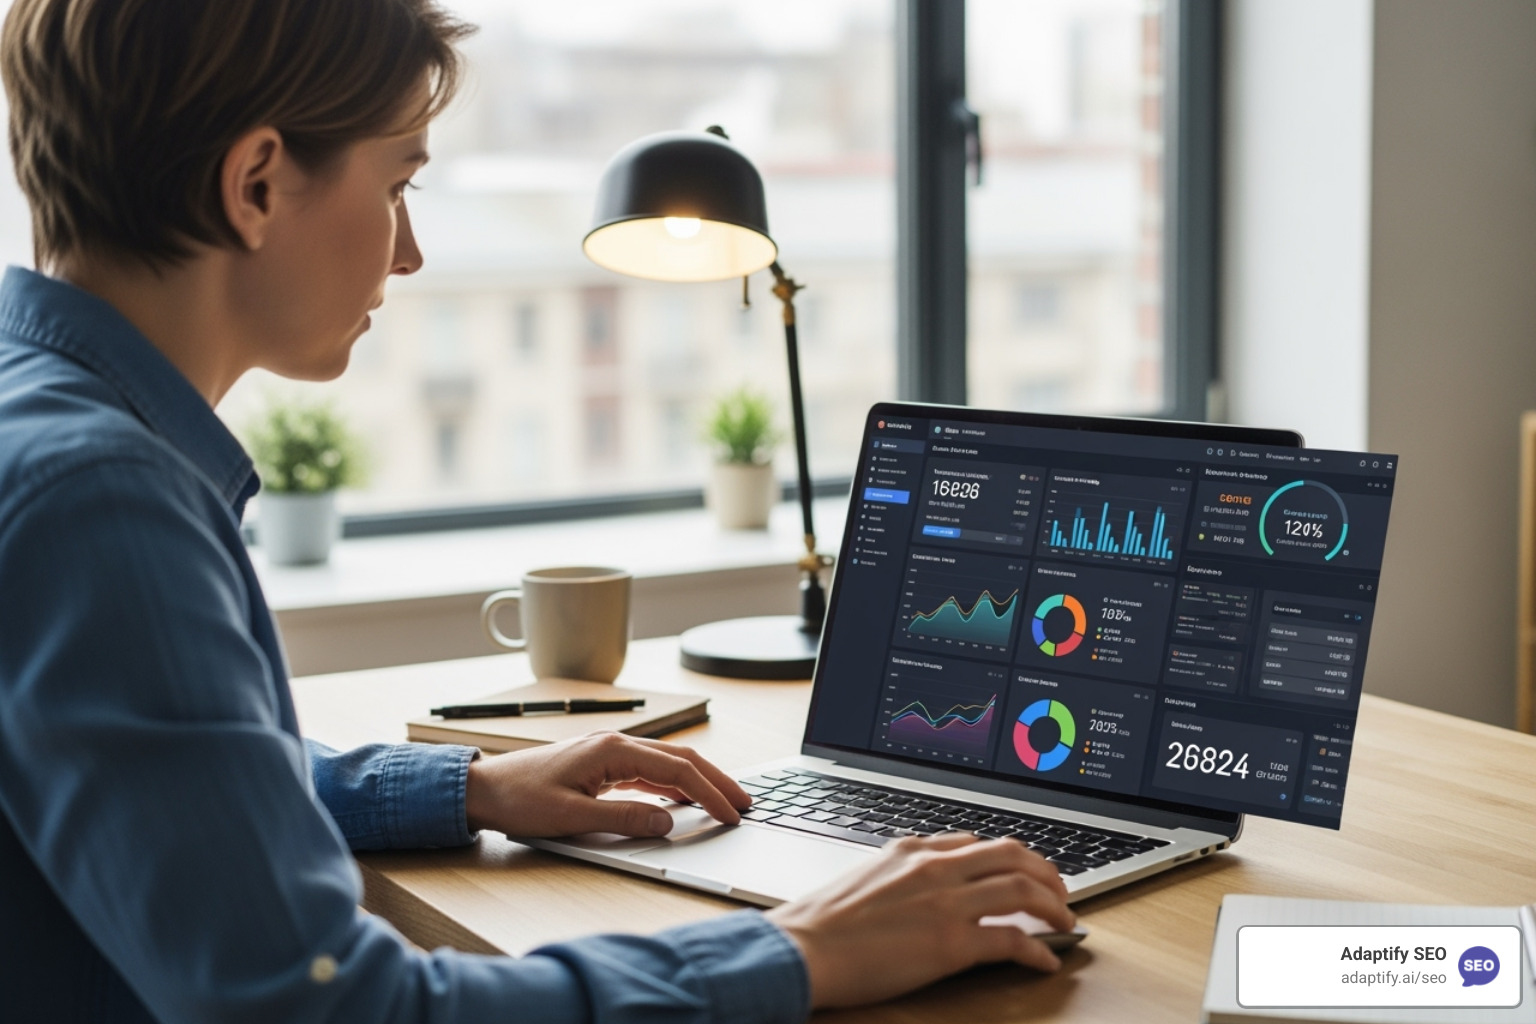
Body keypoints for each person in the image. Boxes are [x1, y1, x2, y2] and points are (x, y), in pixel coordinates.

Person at [0, 1, 1076, 1021]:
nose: (409, 251)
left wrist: (472, 787)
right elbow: (329, 1005)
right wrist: (800, 952)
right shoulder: (105, 504)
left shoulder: (37, 414)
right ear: (258, 184)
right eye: (396, 187)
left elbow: (190, 794)